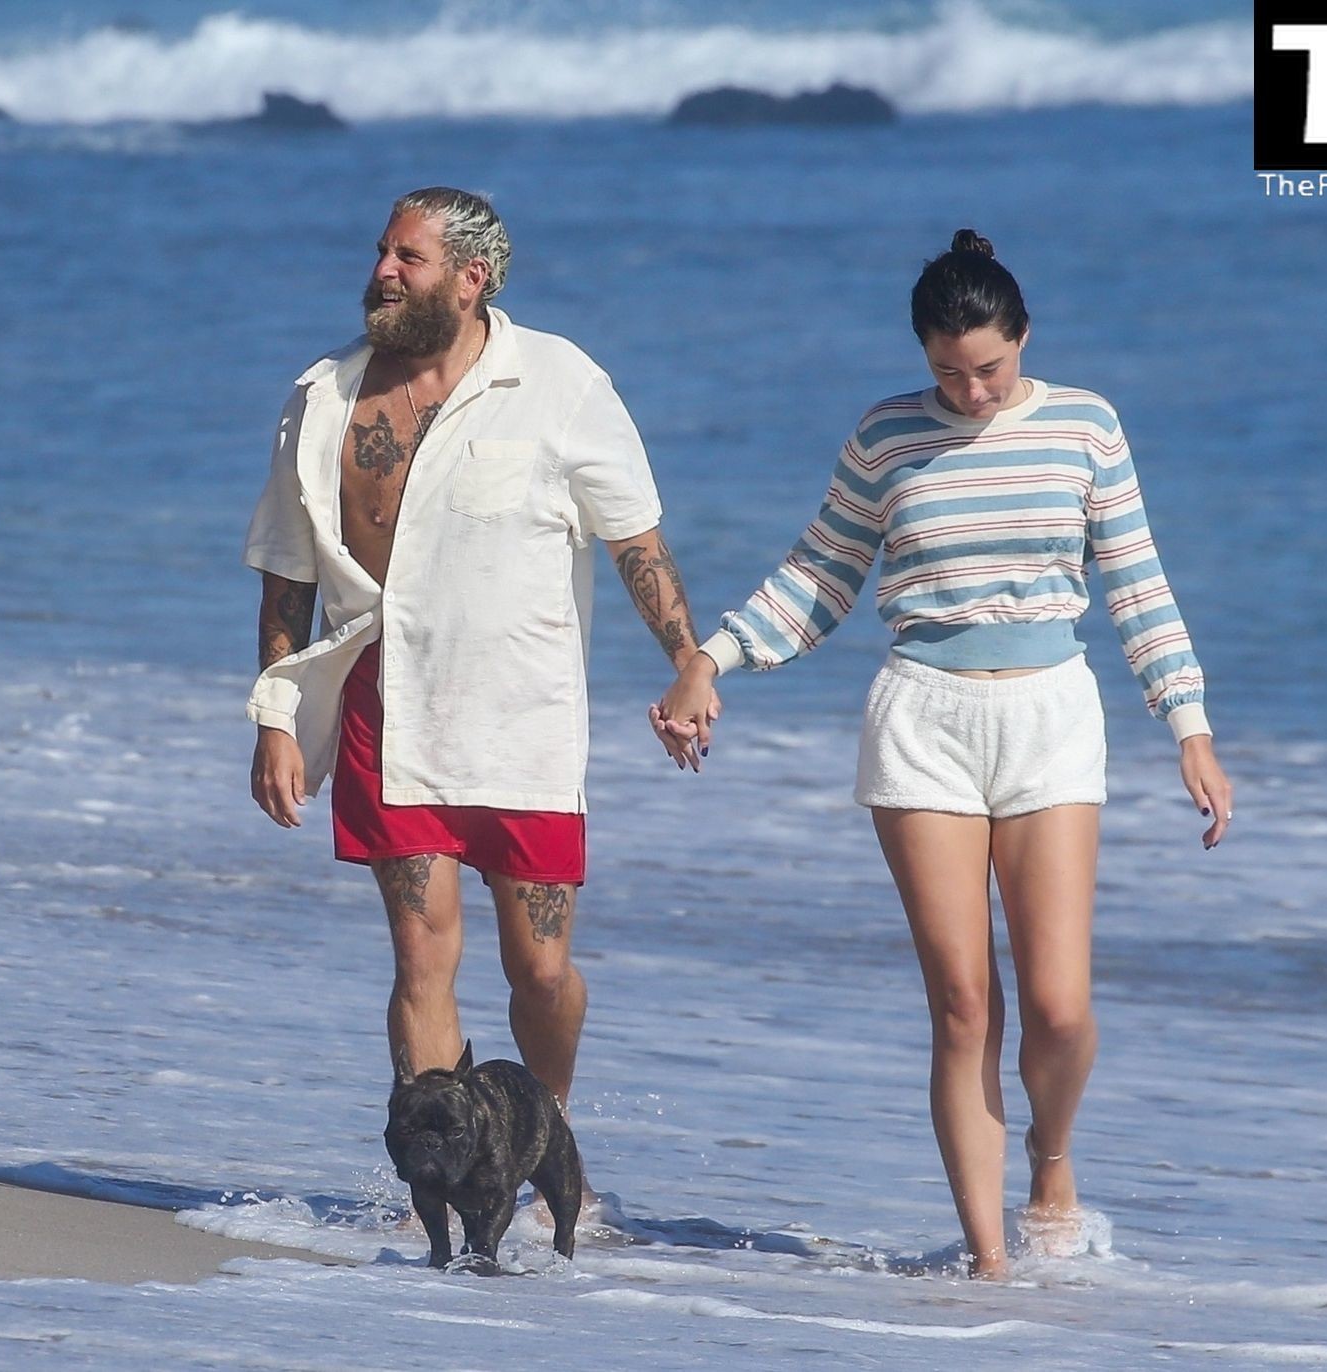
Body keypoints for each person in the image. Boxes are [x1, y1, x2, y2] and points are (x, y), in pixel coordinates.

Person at [653, 229, 1233, 1278]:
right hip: (923, 719)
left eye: (989, 369)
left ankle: (1050, 1161)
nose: (971, 392)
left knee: (1058, 1006)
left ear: (1024, 337)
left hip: (1049, 716)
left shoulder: (1086, 426)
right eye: (949, 373)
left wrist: (1187, 723)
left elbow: (1137, 583)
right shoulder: (887, 436)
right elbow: (821, 574)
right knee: (964, 1004)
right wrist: (709, 660)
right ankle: (988, 1263)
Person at [244, 187, 714, 1113]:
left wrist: (688, 663)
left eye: (407, 259)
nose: (382, 271)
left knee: (539, 971)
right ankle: (441, 1170)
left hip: (522, 719)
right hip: (389, 705)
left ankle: (547, 1131)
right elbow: (287, 573)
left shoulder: (560, 383)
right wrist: (276, 716)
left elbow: (636, 543)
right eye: (382, 251)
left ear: (471, 278)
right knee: (422, 958)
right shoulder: (324, 397)